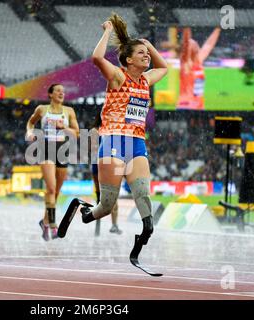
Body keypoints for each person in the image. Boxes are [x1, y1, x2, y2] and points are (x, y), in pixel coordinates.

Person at [58, 13, 168, 257]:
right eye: (141, 53)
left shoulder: (145, 81)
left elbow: (164, 67)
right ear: (128, 60)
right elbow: (97, 57)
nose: (147, 56)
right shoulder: (118, 77)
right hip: (114, 141)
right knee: (106, 205)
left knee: (143, 192)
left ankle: (147, 226)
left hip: (137, 143)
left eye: (147, 53)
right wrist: (107, 30)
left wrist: (149, 45)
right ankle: (81, 208)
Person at [26, 84, 79, 241]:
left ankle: (44, 222)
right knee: (50, 188)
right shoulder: (42, 109)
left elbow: (76, 134)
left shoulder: (69, 111)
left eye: (63, 91)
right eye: (58, 91)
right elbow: (30, 123)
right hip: (46, 149)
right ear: (50, 94)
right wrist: (29, 132)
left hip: (62, 150)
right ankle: (53, 225)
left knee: (55, 192)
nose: (61, 93)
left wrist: (64, 128)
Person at [90, 111, 122, 235]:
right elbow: (93, 149)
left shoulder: (114, 130)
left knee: (112, 196)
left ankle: (114, 225)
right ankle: (100, 223)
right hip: (98, 165)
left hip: (108, 163)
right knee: (101, 197)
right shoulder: (95, 131)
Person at [177, 27, 220, 110]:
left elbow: (208, 45)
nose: (196, 44)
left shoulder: (198, 61)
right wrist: (186, 26)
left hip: (198, 105)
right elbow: (186, 43)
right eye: (192, 44)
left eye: (195, 43)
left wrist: (218, 29)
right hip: (186, 105)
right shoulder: (186, 63)